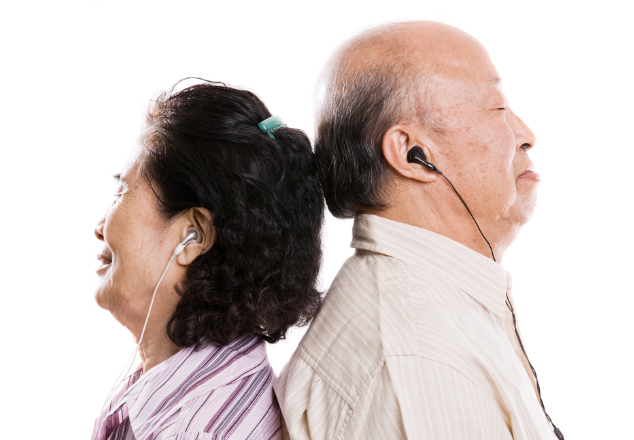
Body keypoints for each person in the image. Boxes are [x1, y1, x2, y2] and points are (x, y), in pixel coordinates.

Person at [274, 21, 564, 440]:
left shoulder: (435, 310)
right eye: (498, 108)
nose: (526, 135)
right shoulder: (421, 362)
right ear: (413, 155)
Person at [91, 80, 324, 440]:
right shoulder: (186, 390)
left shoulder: (192, 429)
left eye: (123, 189)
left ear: (194, 235)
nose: (99, 226)